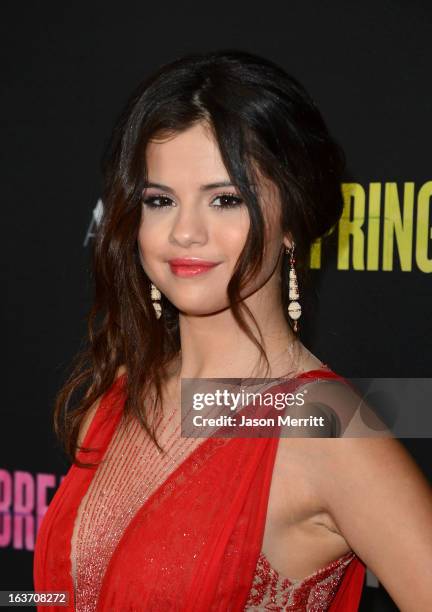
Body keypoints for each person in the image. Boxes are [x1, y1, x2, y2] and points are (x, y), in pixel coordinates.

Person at [33, 49, 432, 611]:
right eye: (159, 200)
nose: (185, 232)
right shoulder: (118, 393)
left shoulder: (325, 427)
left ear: (291, 220)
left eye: (225, 199)